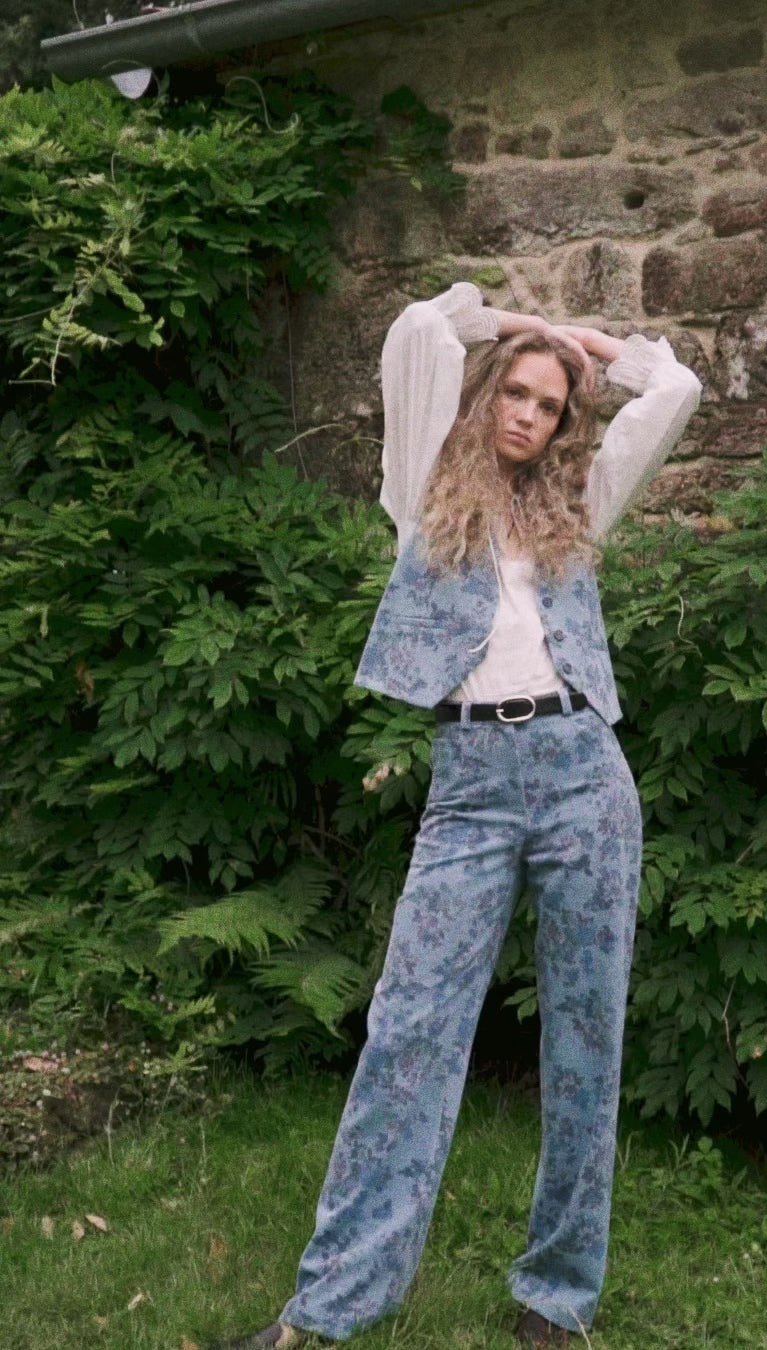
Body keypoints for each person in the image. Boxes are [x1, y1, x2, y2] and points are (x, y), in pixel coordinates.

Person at [209, 282, 701, 1350]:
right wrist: (522, 326)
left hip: (583, 772)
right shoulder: (419, 485)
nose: (528, 414)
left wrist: (595, 351)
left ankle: (558, 1295)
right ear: (486, 397)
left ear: (565, 425)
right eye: (516, 394)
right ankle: (327, 1306)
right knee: (410, 1032)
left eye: (549, 405)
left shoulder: (580, 504)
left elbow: (675, 392)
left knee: (586, 1037)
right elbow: (421, 332)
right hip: (470, 785)